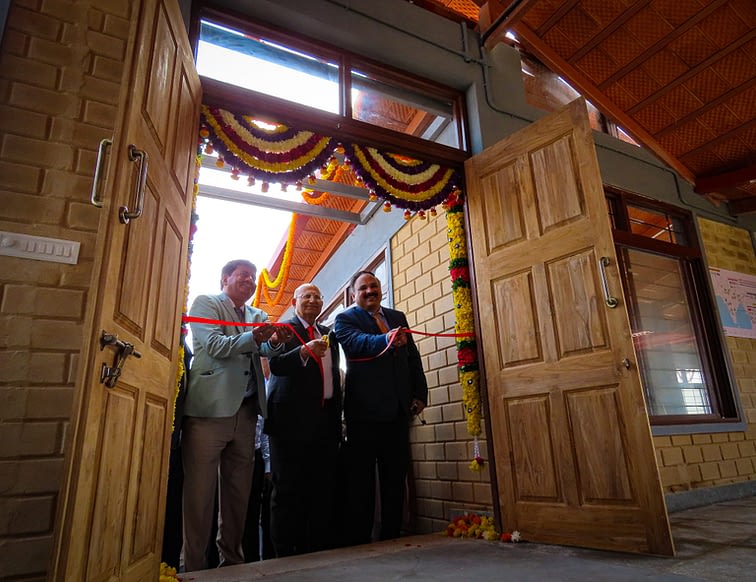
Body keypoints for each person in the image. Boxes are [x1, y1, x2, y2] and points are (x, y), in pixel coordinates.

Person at [181, 259, 291, 571]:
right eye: (244, 275)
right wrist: (256, 339)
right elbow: (214, 345)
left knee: (238, 496)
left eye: (253, 278)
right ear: (225, 278)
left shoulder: (257, 314)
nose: (250, 281)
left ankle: (232, 563)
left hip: (246, 416)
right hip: (208, 413)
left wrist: (275, 342)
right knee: (199, 497)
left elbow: (266, 352)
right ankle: (192, 568)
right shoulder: (205, 303)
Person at [334, 271, 427, 546]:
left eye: (374, 286)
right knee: (361, 481)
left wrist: (420, 394)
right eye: (363, 288)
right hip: (364, 414)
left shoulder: (397, 317)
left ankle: (392, 538)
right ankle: (362, 541)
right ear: (354, 295)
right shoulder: (345, 319)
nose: (370, 291)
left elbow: (412, 357)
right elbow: (356, 343)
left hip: (398, 411)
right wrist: (385, 340)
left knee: (395, 478)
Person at [264, 283, 343, 556]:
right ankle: (284, 556)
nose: (312, 300)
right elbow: (275, 365)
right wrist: (303, 351)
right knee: (287, 492)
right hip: (289, 424)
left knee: (321, 489)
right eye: (306, 296)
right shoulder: (284, 329)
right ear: (294, 301)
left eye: (317, 297)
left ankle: (318, 550)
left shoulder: (329, 333)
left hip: (325, 422)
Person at [242, 414, 274, 562]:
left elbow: (263, 426)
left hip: (255, 453)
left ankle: (251, 560)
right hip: (224, 453)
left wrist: (268, 464)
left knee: (252, 517)